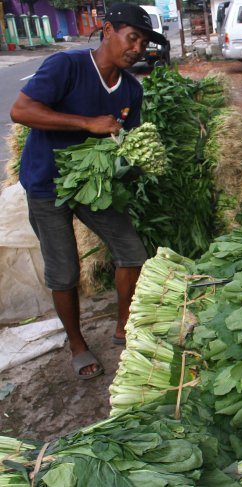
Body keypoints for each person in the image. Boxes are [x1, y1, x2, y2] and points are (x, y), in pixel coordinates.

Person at [9, 3, 168, 380]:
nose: (137, 48)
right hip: (47, 183)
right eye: (133, 37)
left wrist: (135, 164)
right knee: (64, 271)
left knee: (132, 252)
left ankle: (123, 324)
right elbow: (21, 110)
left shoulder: (131, 89)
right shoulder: (67, 66)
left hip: (93, 187)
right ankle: (77, 344)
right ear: (107, 30)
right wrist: (87, 124)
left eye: (144, 43)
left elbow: (126, 143)